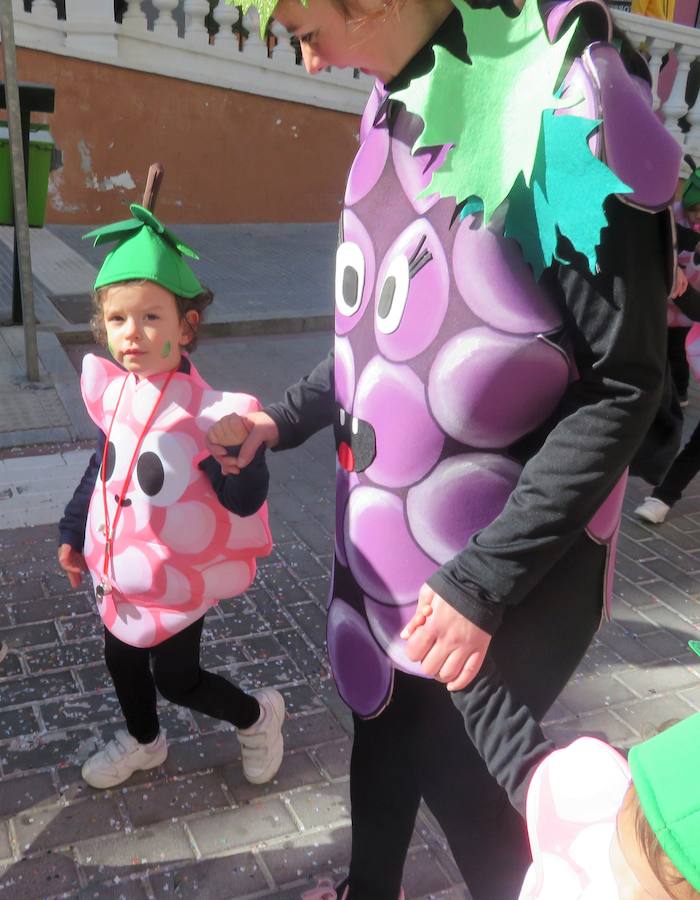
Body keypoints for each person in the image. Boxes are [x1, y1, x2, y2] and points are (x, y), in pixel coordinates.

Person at [211, 0, 679, 896]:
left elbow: (626, 384)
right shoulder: (391, 97)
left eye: (306, 32)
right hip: (389, 554)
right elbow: (387, 332)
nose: (308, 65)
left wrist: (481, 583)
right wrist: (287, 417)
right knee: (383, 726)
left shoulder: (559, 107)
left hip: (504, 571)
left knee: (467, 781)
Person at [58, 203, 285, 789]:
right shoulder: (121, 392)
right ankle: (144, 742)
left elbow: (241, 499)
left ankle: (258, 716)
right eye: (117, 319)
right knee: (121, 659)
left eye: (150, 317)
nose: (132, 333)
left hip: (174, 576)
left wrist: (243, 456)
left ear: (185, 328)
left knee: (177, 677)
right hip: (120, 569)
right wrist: (72, 529)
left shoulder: (201, 413)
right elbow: (106, 465)